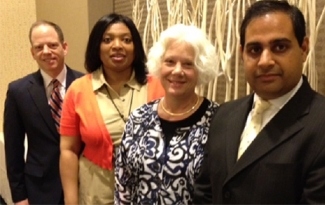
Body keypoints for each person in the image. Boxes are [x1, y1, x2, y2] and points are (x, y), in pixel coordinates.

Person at [193, 0, 325, 204]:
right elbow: (205, 193)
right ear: (242, 54)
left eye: (280, 47)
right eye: (255, 50)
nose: (265, 61)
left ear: (303, 48)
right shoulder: (224, 115)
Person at [59, 13, 164, 205]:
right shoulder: (78, 90)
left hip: (149, 191)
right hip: (97, 193)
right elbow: (68, 150)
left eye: (126, 40)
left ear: (135, 48)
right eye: (107, 40)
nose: (117, 45)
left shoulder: (158, 86)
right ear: (97, 47)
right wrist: (70, 200)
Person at [115, 24, 220, 205]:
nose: (177, 71)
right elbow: (123, 186)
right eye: (170, 62)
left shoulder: (218, 121)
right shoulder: (139, 118)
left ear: (200, 69)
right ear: (159, 65)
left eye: (188, 64)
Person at [3, 21, 83, 205]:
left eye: (53, 45)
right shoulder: (18, 91)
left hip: (82, 183)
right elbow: (13, 150)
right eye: (39, 47)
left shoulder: (85, 84)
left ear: (65, 47)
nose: (46, 51)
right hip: (40, 189)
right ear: (32, 53)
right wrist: (20, 197)